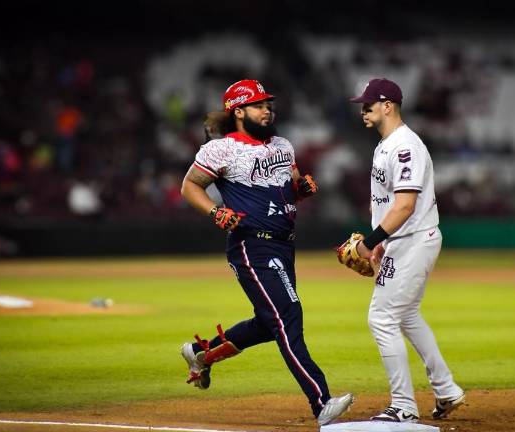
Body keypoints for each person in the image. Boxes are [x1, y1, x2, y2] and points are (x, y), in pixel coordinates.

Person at [179, 79, 353, 426]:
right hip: (251, 245)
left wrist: (301, 189)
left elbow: (291, 184)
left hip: (284, 244)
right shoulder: (221, 149)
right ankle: (321, 404)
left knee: (267, 322)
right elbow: (189, 186)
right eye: (258, 105)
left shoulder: (284, 145)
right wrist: (215, 211)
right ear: (239, 111)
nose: (267, 109)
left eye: (268, 104)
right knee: (289, 316)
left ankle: (200, 353)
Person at [347, 78, 465, 422]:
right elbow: (389, 205)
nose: (362, 111)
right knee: (407, 315)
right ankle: (446, 389)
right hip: (402, 240)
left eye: (368, 105)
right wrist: (381, 240)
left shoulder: (404, 146)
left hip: (413, 238)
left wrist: (369, 241)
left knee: (381, 318)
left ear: (388, 105)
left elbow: (405, 205)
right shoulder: (386, 144)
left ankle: (404, 406)